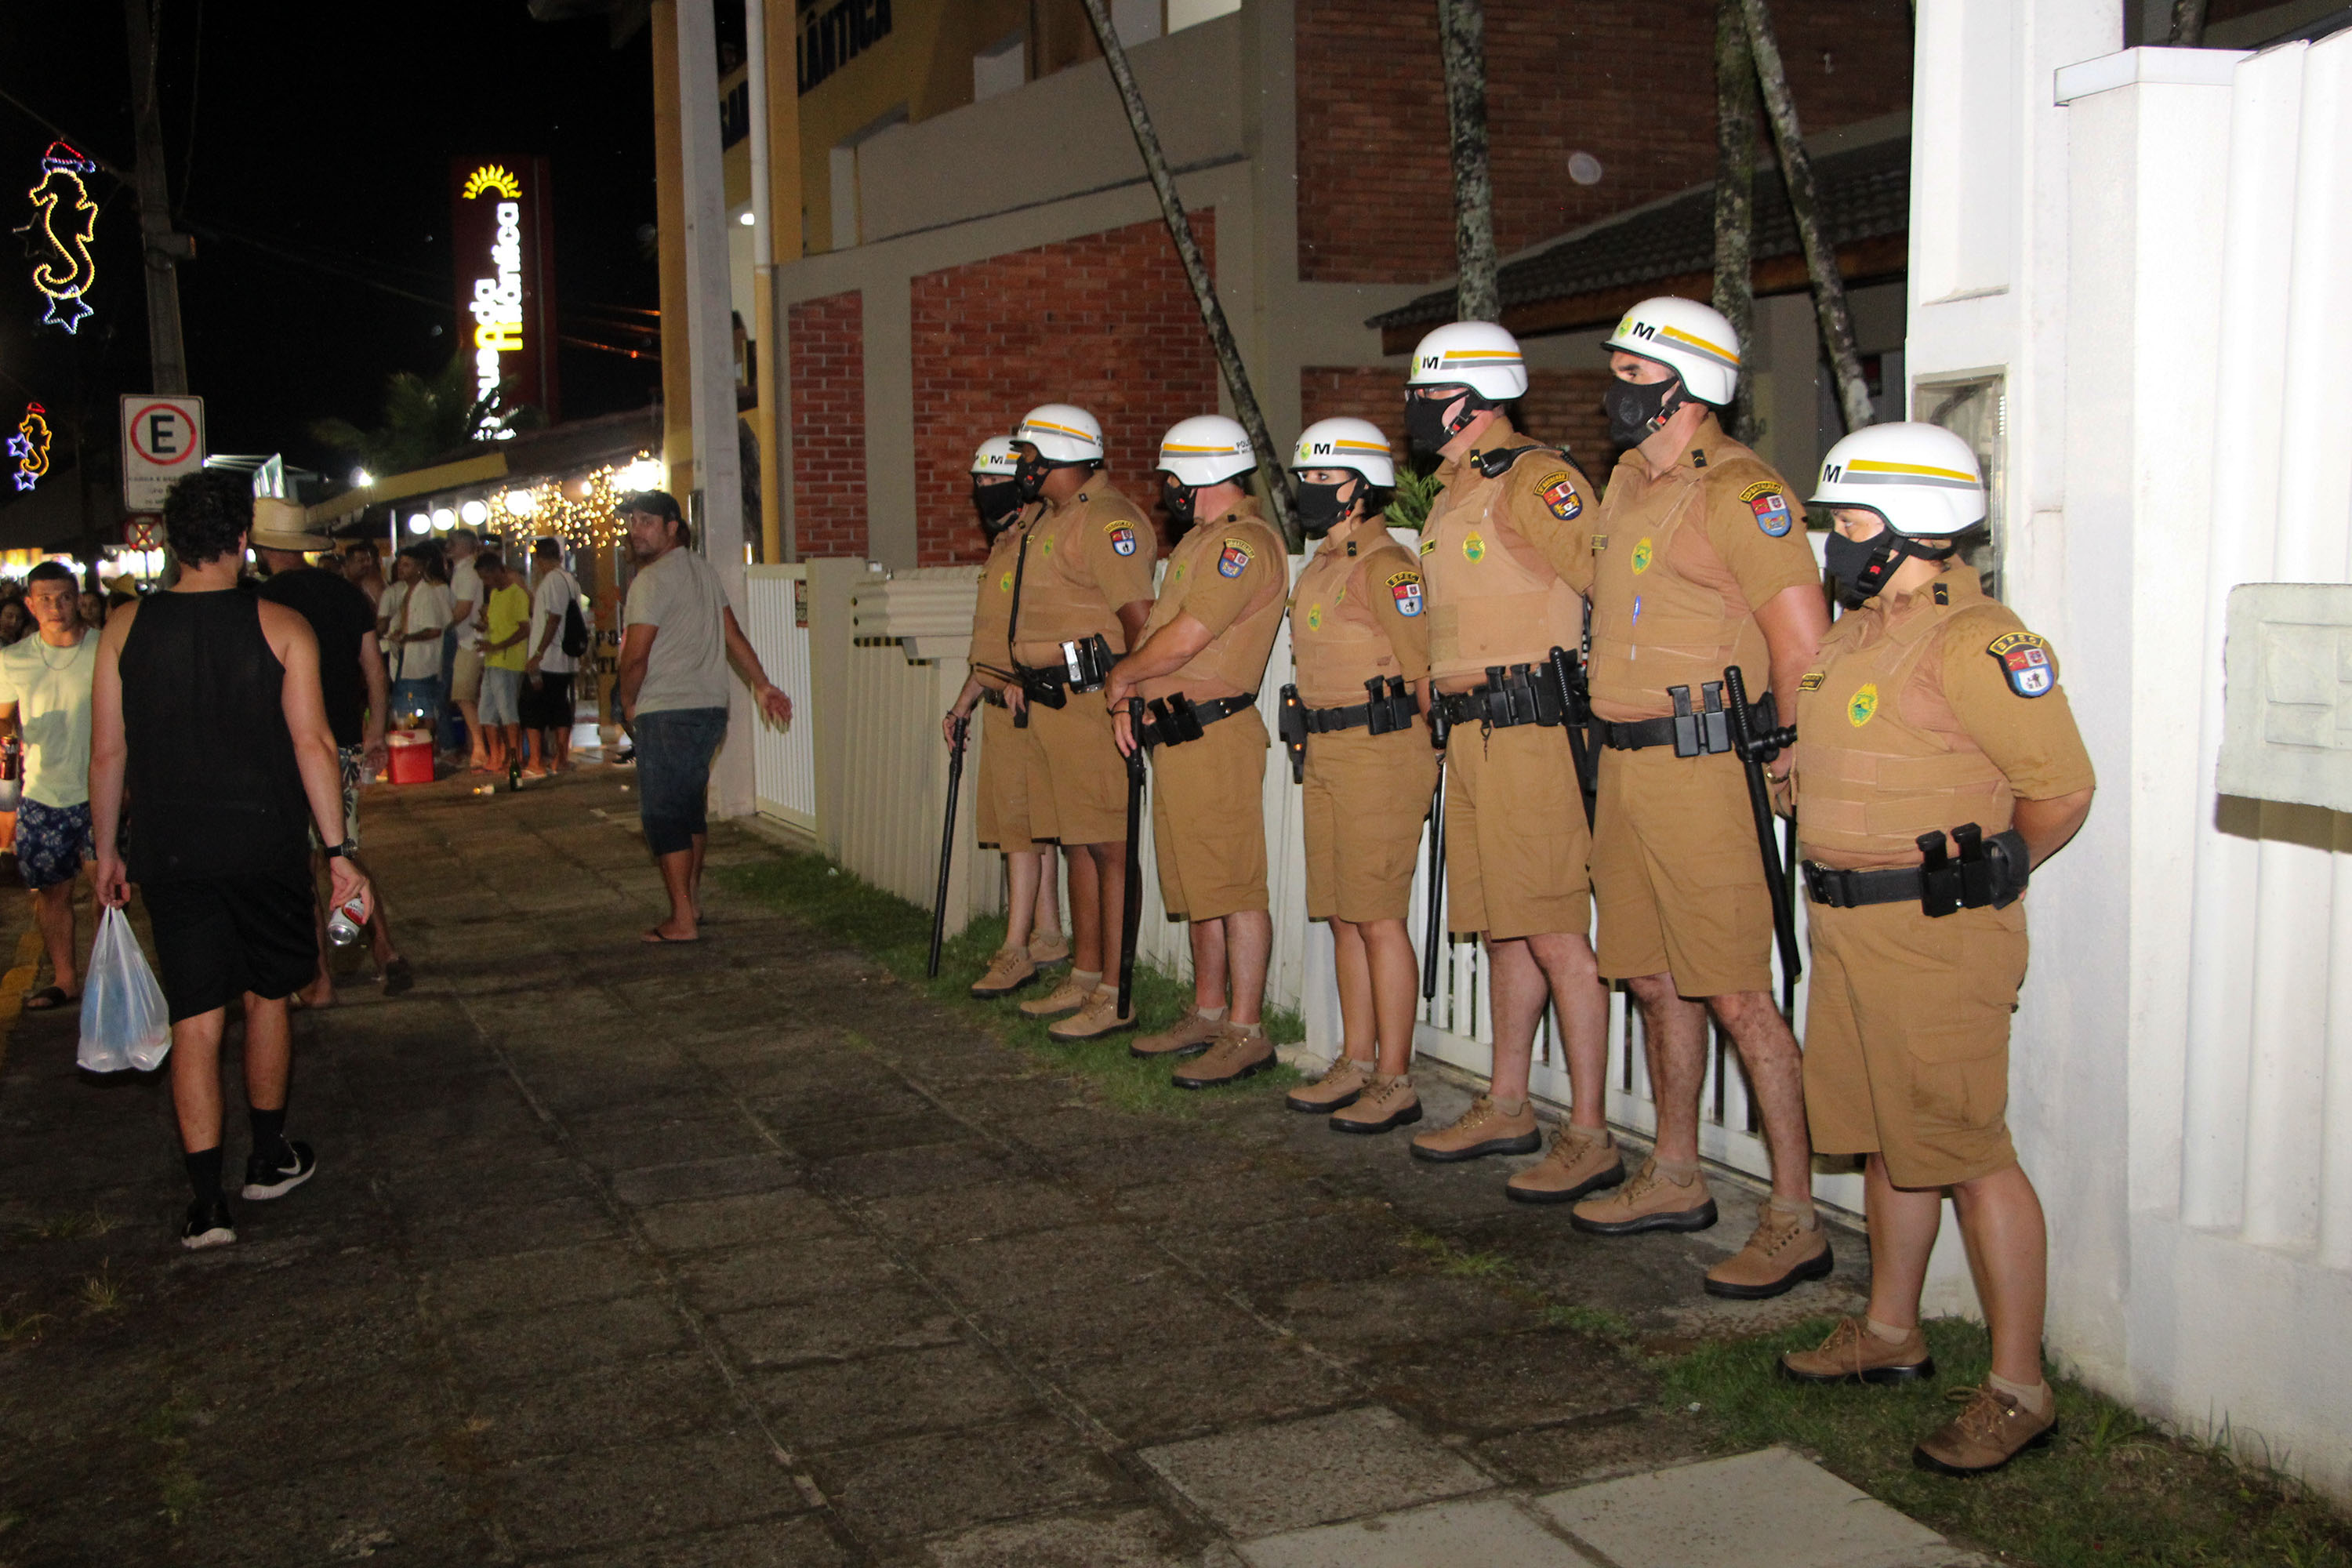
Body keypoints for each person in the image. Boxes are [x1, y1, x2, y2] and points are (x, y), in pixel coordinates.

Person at [1776, 423, 2094, 1475]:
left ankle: (2019, 1388)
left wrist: (2002, 865)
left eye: (1851, 520)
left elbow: (2062, 788)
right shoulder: (1858, 632)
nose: (1836, 540)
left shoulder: (1982, 641)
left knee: (1967, 1150)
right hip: (1849, 928)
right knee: (1889, 1138)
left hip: (1935, 936)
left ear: (1920, 522)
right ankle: (1891, 1331)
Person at [1565, 296, 1835, 1300]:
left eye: (1635, 374)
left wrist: (1792, 758)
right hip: (1627, 766)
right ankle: (1676, 1171)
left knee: (1736, 990)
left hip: (1706, 768)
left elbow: (1802, 645)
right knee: (1649, 975)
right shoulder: (1627, 482)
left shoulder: (1744, 492)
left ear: (1689, 383)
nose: (1617, 390)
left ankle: (1795, 1215)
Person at [89, 470, 372, 1250]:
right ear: (243, 539)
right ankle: (269, 1157)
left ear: (170, 540)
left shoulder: (124, 628)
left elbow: (108, 751)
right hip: (263, 843)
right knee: (267, 996)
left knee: (195, 1018)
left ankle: (208, 1204)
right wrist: (338, 852)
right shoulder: (281, 625)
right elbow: (313, 742)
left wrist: (106, 848)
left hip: (172, 847)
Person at [1399, 321, 1616, 1190]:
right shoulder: (1456, 490)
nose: (1415, 409)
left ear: (1474, 398)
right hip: (1472, 733)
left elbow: (1611, 586)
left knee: (1556, 930)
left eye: (1427, 393)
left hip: (1530, 730)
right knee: (1504, 927)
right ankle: (1510, 1102)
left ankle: (1591, 1132)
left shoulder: (1537, 480)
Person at [1107, 417, 1287, 1082]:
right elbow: (1160, 634)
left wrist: (1122, 675)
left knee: (1233, 885)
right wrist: (1132, 693)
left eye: (1171, 475)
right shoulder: (1198, 542)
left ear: (1200, 472)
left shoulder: (1243, 544)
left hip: (1214, 732)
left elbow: (1187, 637)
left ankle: (1246, 1030)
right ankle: (1209, 1011)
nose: (1167, 487)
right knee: (1199, 885)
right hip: (1177, 731)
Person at [1276, 419, 1438, 1131]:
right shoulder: (1320, 565)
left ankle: (1395, 1078)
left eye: (1323, 477)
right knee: (1343, 914)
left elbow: (1423, 669)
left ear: (1361, 487)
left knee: (1377, 917)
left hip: (1382, 753)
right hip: (1327, 750)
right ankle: (1356, 1058)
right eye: (1305, 477)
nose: (1308, 489)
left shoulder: (1389, 568)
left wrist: (1434, 757)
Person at [996, 405, 1158, 1038]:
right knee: (1078, 844)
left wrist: (1129, 698)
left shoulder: (1107, 519)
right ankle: (1086, 975)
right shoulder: (1050, 518)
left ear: (1062, 454)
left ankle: (1117, 993)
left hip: (1093, 700)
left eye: (1030, 454)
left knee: (1110, 847)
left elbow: (1140, 620)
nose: (1023, 466)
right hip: (1051, 702)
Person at [613, 491, 793, 942]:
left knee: (664, 815)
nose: (636, 530)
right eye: (633, 521)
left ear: (672, 527)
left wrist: (628, 702)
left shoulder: (650, 582)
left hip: (667, 709)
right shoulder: (702, 570)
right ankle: (690, 903)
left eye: (647, 521)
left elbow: (636, 656)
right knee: (689, 809)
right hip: (709, 709)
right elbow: (732, 634)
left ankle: (682, 920)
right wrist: (761, 684)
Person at [251, 505, 412, 1003]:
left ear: (263, 548)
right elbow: (375, 670)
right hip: (341, 738)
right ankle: (385, 949)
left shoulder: (261, 601)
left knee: (299, 863)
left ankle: (319, 979)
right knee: (343, 850)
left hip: (284, 743)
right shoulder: (346, 593)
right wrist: (376, 731)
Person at [947, 437, 1069, 1001]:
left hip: (1029, 703)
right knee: (1022, 829)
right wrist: (963, 703)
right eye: (979, 483)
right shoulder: (1005, 543)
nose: (985, 493)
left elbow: (1053, 620)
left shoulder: (1040, 540)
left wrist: (1027, 674)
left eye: (994, 482)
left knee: (1023, 832)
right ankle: (1048, 934)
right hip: (998, 702)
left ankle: (1016, 947)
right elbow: (993, 645)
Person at [0, 562, 97, 1011]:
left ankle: (106, 975)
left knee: (108, 889)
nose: (55, 607)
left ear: (78, 598)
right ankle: (65, 979)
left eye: (64, 597)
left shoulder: (104, 648)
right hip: (42, 791)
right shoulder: (14, 658)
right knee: (53, 892)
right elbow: (3, 718)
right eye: (44, 599)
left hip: (100, 788)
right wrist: (14, 730)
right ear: (30, 604)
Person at [521, 537, 584, 778]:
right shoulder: (570, 580)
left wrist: (538, 653)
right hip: (564, 657)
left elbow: (554, 618)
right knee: (560, 708)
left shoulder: (551, 581)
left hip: (550, 658)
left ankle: (536, 761)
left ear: (539, 559)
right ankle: (561, 758)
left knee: (534, 708)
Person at [381, 548, 452, 732]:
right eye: (400, 565)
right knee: (409, 704)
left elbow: (434, 630)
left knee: (423, 705)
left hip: (422, 659)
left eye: (407, 565)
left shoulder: (427, 593)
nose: (401, 569)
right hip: (408, 656)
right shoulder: (406, 591)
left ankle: (426, 740)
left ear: (419, 568)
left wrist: (407, 637)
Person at [476, 552, 532, 775]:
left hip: (509, 662)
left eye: (486, 577)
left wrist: (498, 645)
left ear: (497, 571)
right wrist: (485, 631)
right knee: (486, 712)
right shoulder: (495, 595)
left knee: (507, 711)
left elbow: (524, 629)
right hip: (493, 660)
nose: (485, 583)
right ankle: (496, 755)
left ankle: (514, 755)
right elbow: (498, 625)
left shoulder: (517, 594)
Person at [445, 528, 485, 768]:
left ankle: (479, 747)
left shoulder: (467, 573)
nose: (448, 547)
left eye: (453, 543)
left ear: (466, 547)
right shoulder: (462, 571)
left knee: (463, 695)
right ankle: (475, 747)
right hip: (467, 640)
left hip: (470, 642)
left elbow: (463, 609)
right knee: (468, 697)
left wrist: (441, 626)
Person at [343, 539, 386, 611]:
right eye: (361, 560)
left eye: (368, 560)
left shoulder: (365, 587)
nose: (367, 564)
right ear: (348, 563)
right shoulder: (342, 589)